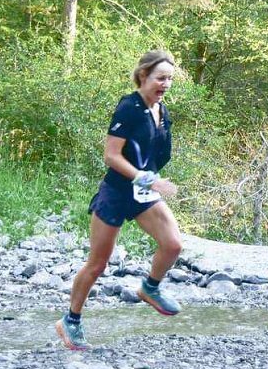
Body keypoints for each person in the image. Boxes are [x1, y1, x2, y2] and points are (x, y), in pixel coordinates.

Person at [56, 50, 183, 351]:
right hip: (116, 192)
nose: (165, 84)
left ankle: (150, 288)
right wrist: (145, 177)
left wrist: (151, 180)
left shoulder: (162, 112)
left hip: (142, 194)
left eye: (170, 79)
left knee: (174, 244)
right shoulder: (128, 107)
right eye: (160, 78)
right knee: (98, 263)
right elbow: (111, 156)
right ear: (143, 76)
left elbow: (155, 155)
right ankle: (70, 321)